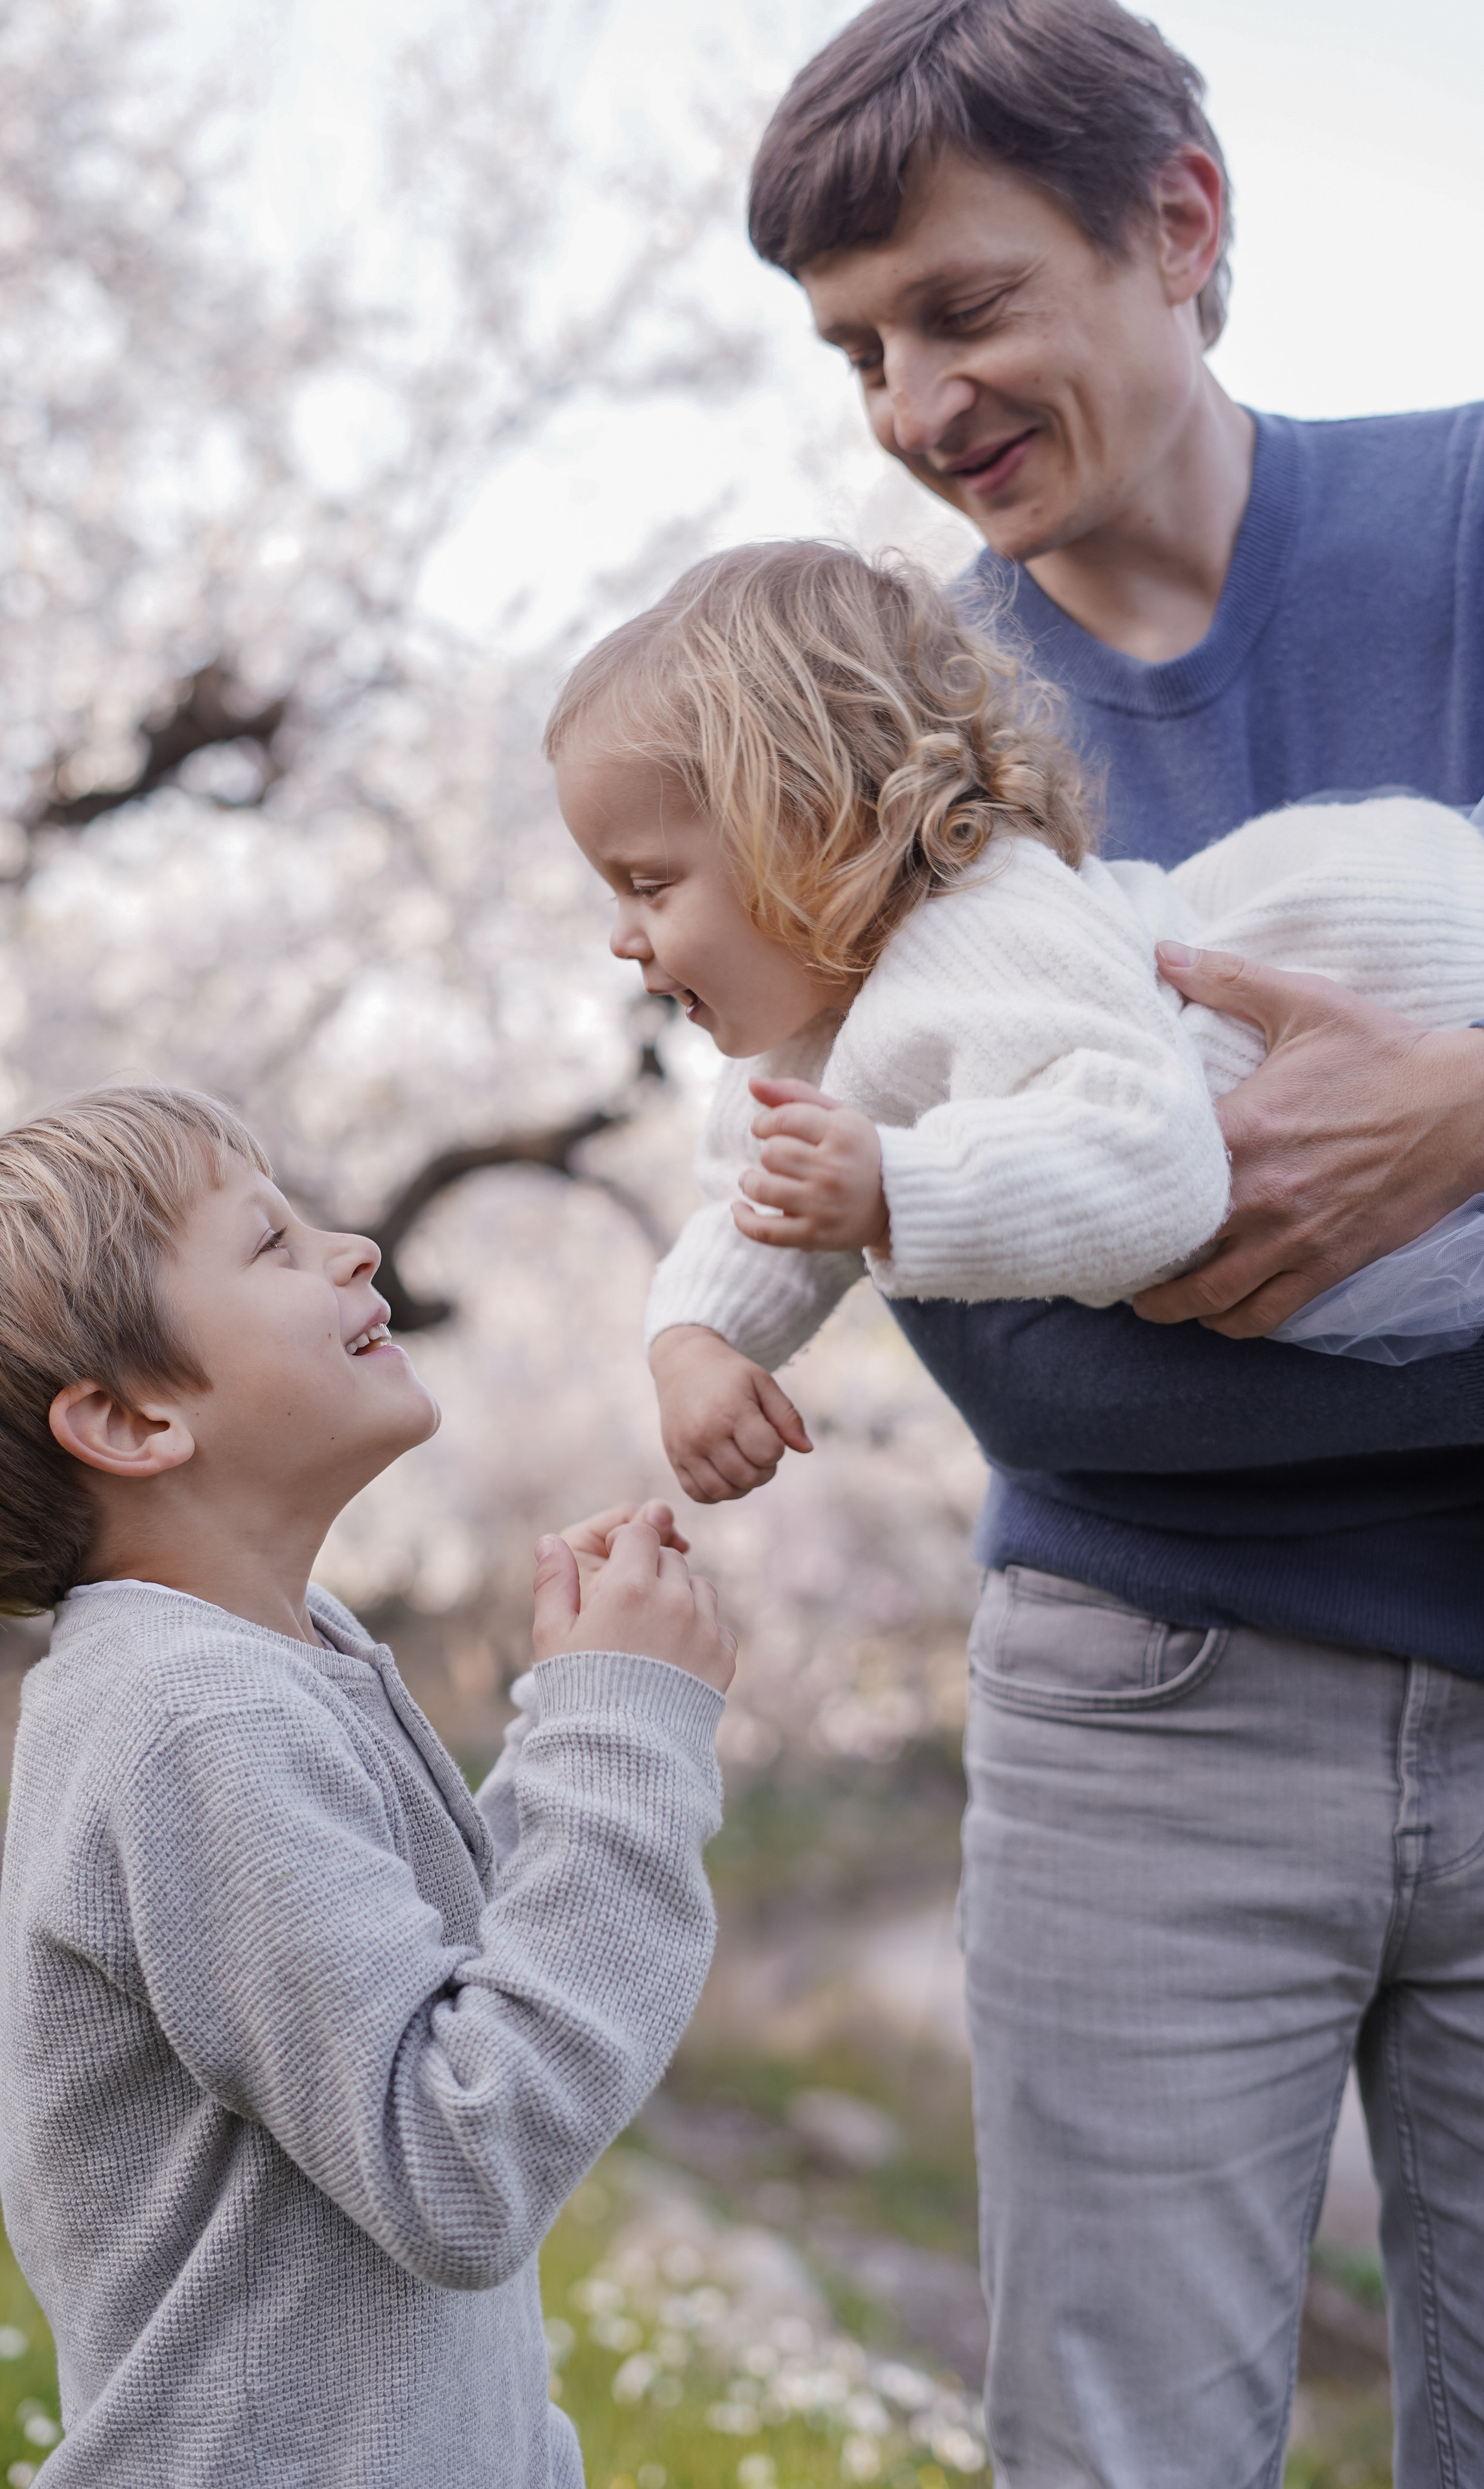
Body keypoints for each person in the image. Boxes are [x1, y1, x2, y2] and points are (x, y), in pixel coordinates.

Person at [627, 0, 1483, 2480]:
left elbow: (1095, 1268)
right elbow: (1051, 1370)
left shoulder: (1461, 524)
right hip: (1155, 1714)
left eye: (964, 308)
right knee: (1115, 2447)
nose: (912, 406)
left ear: (1181, 225)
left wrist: (1452, 1119)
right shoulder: (883, 726)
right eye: (857, 349)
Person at [0, 1083, 736, 2489]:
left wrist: (570, 1721)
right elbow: (456, 2157)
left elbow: (423, 1993)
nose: (355, 1247)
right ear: (131, 1421)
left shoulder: (264, 1666)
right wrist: (624, 1737)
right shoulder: (193, 1714)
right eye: (270, 1243)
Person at [547, 536, 1484, 1473]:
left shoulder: (986, 919)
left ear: (801, 823)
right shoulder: (804, 1035)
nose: (622, 939)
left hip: (1409, 954)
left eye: (651, 885)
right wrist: (695, 1341)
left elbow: (1162, 1160)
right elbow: (761, 1210)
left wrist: (895, 1189)